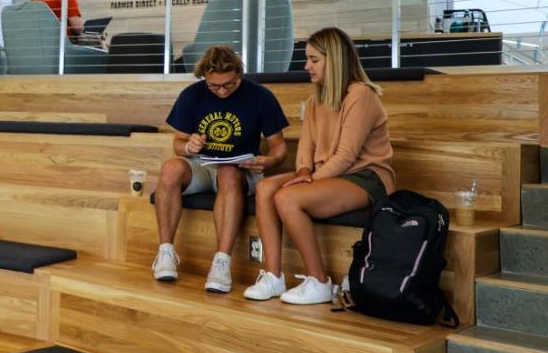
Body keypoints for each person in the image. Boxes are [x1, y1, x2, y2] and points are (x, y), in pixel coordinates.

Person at [244, 27, 394, 305]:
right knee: (265, 188)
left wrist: (310, 180)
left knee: (287, 198)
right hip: (326, 173)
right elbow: (305, 146)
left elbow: (347, 156)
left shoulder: (361, 95)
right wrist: (303, 171)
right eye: (307, 59)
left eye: (314, 60)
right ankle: (273, 275)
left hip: (365, 177)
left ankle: (319, 281)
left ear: (334, 60)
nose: (306, 66)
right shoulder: (316, 99)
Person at [152, 46, 288, 291]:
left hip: (242, 168)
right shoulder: (191, 95)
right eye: (215, 86)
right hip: (203, 164)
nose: (223, 91)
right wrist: (190, 146)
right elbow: (178, 145)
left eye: (230, 84)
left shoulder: (260, 96)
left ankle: (221, 262)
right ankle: (165, 253)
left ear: (239, 74)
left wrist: (268, 161)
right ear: (205, 77)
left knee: (228, 173)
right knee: (171, 169)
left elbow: (279, 149)